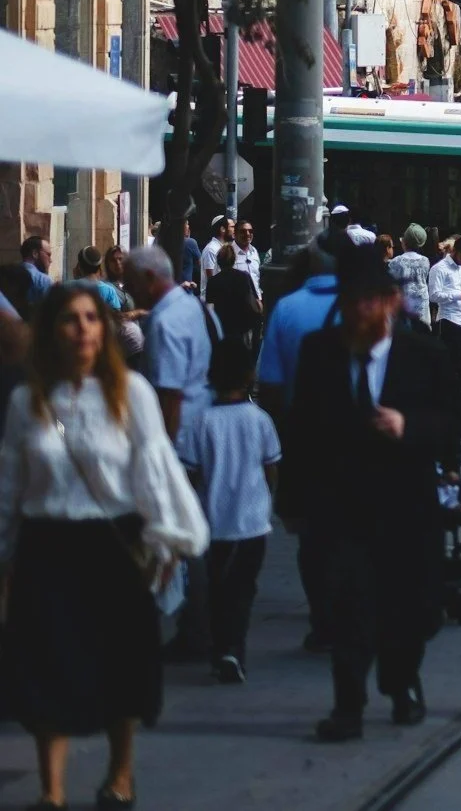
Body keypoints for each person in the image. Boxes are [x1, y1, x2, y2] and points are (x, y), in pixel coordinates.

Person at [0, 284, 208, 807]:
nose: (84, 328)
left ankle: (120, 773)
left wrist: (166, 539)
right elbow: (9, 483)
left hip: (112, 544)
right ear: (51, 330)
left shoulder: (129, 391)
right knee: (46, 664)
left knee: (120, 664)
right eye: (71, 319)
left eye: (92, 318)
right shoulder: (28, 400)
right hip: (47, 545)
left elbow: (153, 467)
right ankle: (52, 791)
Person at [288, 244, 461, 740]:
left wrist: (408, 425)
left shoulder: (423, 354)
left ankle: (401, 681)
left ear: (390, 301)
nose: (358, 313)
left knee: (410, 608)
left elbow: (455, 418)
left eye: (368, 301)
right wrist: (293, 503)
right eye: (350, 303)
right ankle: (348, 704)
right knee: (349, 607)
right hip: (341, 507)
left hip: (406, 508)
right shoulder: (320, 351)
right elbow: (299, 427)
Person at [177, 340, 282, 683]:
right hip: (252, 521)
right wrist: (267, 498)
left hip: (214, 520)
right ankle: (232, 649)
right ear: (250, 375)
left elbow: (191, 472)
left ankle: (223, 647)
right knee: (243, 588)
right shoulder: (260, 420)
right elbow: (271, 467)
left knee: (218, 588)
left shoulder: (201, 422)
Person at [125, 245, 212, 443]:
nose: (129, 292)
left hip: (178, 441)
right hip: (197, 430)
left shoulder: (165, 324)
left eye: (130, 283)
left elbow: (169, 397)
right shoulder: (193, 306)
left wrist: (162, 454)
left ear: (148, 279)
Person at [204, 242, 263, 357]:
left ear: (219, 261)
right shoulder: (244, 277)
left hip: (223, 328)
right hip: (242, 327)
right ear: (234, 259)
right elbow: (256, 303)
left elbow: (210, 309)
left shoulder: (213, 281)